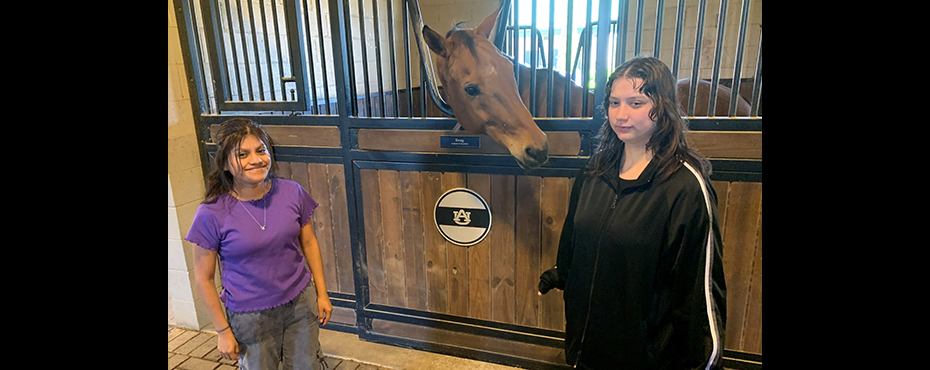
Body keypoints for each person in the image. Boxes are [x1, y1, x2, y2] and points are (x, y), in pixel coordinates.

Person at [537, 57, 727, 370]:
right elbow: (576, 238)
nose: (621, 115)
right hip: (585, 349)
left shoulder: (684, 186)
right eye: (614, 103)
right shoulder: (594, 172)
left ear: (662, 106)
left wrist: (702, 361)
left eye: (635, 102)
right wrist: (563, 273)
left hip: (646, 358)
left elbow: (698, 292)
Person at [186, 118, 333, 370]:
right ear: (224, 163)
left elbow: (309, 243)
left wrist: (322, 293)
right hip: (250, 316)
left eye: (261, 150)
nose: (256, 160)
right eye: (243, 154)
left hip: (299, 303)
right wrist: (222, 330)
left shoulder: (292, 192)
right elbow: (203, 278)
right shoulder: (211, 213)